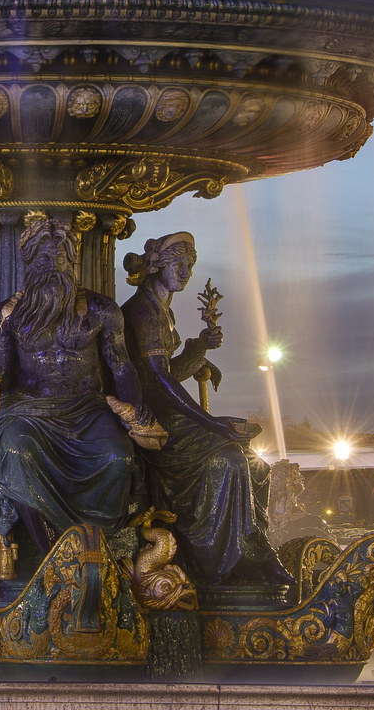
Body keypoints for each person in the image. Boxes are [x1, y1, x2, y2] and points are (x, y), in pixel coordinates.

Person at [0, 216, 162, 555]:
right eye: (44, 258)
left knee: (117, 457)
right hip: (28, 411)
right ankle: (57, 556)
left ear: (73, 261)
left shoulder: (101, 310)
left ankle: (96, 548)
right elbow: (2, 367)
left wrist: (132, 409)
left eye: (62, 258)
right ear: (29, 262)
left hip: (88, 408)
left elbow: (121, 365)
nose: (54, 265)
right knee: (14, 452)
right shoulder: (7, 315)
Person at [120, 233, 291, 586]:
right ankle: (223, 562)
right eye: (178, 265)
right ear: (157, 266)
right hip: (152, 418)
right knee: (228, 460)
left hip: (167, 408)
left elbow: (167, 373)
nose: (185, 272)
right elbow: (158, 380)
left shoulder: (162, 310)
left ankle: (256, 546)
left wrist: (200, 349)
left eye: (190, 266)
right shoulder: (141, 311)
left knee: (255, 461)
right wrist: (212, 423)